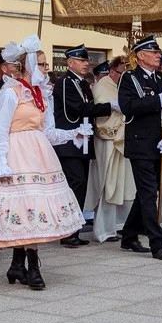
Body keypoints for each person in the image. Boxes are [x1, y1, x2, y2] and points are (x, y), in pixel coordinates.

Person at [0, 36, 90, 290]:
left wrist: (73, 134)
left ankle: (18, 264)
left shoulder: (43, 94)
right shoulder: (10, 93)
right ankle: (31, 266)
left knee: (33, 207)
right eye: (41, 64)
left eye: (46, 64)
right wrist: (3, 162)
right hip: (17, 151)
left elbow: (49, 131)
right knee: (25, 207)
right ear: (28, 65)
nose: (46, 68)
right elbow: (0, 130)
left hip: (39, 153)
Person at [117, 36, 162, 261]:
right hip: (141, 145)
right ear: (141, 55)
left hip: (161, 146)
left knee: (146, 193)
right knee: (148, 193)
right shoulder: (130, 79)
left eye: (159, 51)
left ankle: (129, 235)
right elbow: (128, 107)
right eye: (153, 51)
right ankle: (157, 244)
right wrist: (157, 101)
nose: (159, 55)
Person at [52, 44, 113, 247]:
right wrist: (109, 107)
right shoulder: (65, 82)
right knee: (74, 183)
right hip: (69, 140)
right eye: (81, 60)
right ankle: (68, 231)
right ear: (70, 63)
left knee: (81, 184)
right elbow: (79, 108)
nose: (86, 64)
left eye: (86, 60)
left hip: (83, 141)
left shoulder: (82, 83)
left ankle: (73, 230)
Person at [85, 56, 135, 242]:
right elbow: (98, 114)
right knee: (109, 184)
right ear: (113, 72)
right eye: (121, 73)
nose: (124, 77)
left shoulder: (124, 85)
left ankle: (123, 224)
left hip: (124, 140)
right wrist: (114, 108)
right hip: (108, 141)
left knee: (126, 185)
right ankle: (105, 229)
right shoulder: (102, 86)